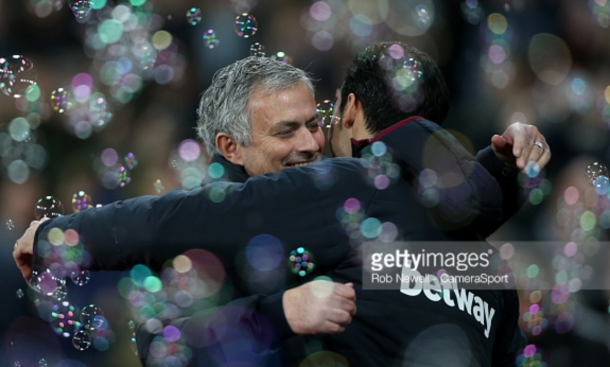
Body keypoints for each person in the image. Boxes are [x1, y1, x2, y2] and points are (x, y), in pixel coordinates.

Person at [14, 49, 547, 366]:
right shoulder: (203, 253)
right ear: (230, 149)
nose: (311, 145)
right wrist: (280, 315)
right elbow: (162, 351)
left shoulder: (368, 200)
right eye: (285, 132)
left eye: (315, 124)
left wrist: (495, 177)